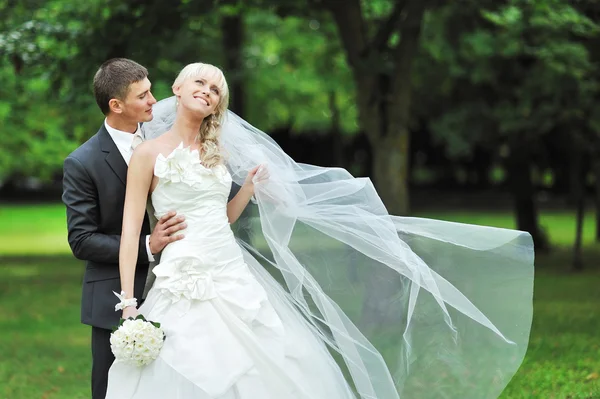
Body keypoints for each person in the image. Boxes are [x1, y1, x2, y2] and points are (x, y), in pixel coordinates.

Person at [106, 62, 535, 399]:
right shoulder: (147, 153)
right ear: (177, 90)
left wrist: (248, 190)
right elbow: (130, 234)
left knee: (267, 365)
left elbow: (225, 219)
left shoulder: (217, 154)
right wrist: (128, 305)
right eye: (199, 82)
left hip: (232, 272)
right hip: (182, 276)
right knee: (185, 365)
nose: (207, 90)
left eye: (216, 88)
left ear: (219, 105)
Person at [62, 58, 186, 399]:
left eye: (151, 91)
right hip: (113, 297)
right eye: (143, 96)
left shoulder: (169, 140)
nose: (153, 101)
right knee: (111, 389)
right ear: (116, 105)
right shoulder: (82, 162)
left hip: (181, 286)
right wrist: (149, 245)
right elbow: (82, 240)